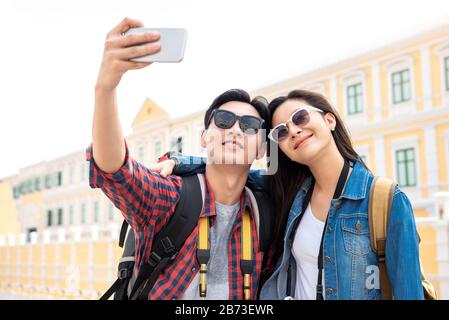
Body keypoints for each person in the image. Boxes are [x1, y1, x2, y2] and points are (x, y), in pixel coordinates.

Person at [158, 89, 425, 300]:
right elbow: (231, 167)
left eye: (300, 117)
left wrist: (180, 161)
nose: (294, 130)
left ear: (329, 119)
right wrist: (179, 162)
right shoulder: (290, 194)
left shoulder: (386, 201)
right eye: (281, 132)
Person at [88, 17, 274, 300]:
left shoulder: (268, 210)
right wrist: (105, 87)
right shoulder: (173, 197)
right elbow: (117, 171)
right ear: (204, 138)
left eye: (249, 126)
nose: (236, 129)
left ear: (261, 148)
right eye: (224, 120)